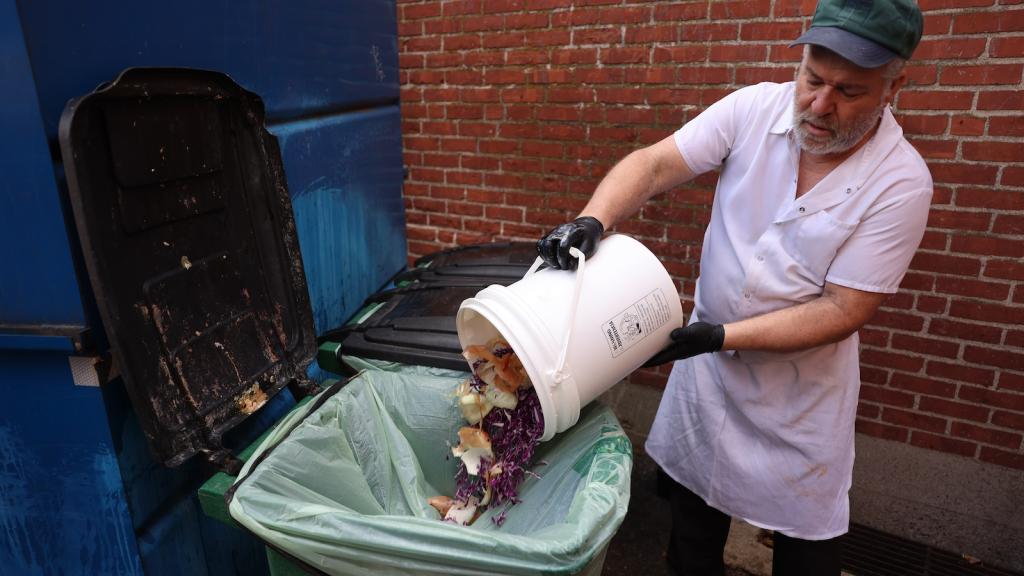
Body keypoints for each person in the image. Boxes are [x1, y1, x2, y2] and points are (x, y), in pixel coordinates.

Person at [536, 1, 930, 575]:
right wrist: (593, 219)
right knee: (692, 535)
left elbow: (845, 308)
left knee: (806, 551)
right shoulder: (754, 109)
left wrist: (721, 334)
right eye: (812, 78)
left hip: (798, 398)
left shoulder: (901, 182)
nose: (820, 105)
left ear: (895, 85)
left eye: (849, 91)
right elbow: (652, 165)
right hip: (710, 378)